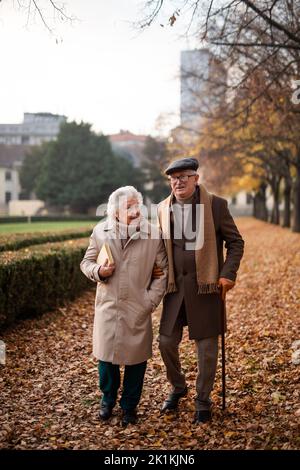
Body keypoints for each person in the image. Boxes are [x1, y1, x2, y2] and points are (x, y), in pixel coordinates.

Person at [157, 157, 244, 424]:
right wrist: (153, 268)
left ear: (196, 178)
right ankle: (178, 387)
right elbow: (157, 245)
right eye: (173, 177)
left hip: (206, 288)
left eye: (184, 176)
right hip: (174, 289)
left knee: (207, 350)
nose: (178, 181)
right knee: (166, 343)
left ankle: (203, 400)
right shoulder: (162, 208)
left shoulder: (216, 205)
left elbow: (236, 243)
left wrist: (227, 274)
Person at [80, 186, 167, 426]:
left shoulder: (153, 234)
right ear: (115, 212)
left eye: (137, 204)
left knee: (136, 361)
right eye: (128, 206)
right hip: (108, 306)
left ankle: (129, 406)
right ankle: (107, 399)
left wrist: (149, 301)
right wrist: (99, 271)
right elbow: (86, 262)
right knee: (106, 360)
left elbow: (162, 273)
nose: (135, 210)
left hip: (139, 307)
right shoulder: (100, 232)